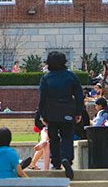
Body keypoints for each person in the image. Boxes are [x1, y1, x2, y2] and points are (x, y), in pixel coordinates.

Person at [36, 51, 85, 179]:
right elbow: (79, 95)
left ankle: (56, 162)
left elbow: (42, 98)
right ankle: (67, 159)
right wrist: (79, 112)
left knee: (54, 138)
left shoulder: (46, 78)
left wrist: (42, 115)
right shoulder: (71, 77)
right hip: (68, 111)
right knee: (67, 136)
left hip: (51, 113)